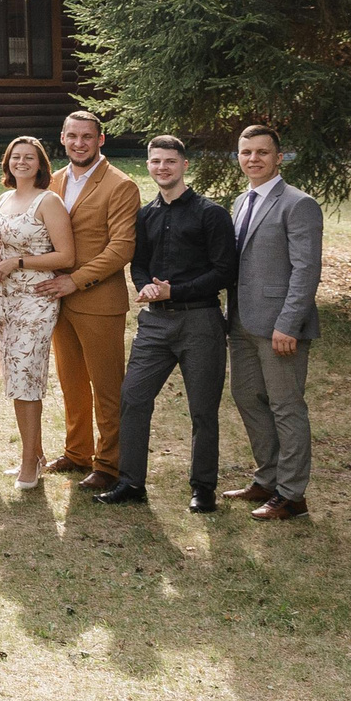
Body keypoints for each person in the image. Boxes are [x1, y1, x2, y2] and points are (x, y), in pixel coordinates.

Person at [97, 136, 238, 512]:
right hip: (155, 323)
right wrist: (145, 286)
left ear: (184, 165)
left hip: (200, 320)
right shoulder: (146, 215)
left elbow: (224, 271)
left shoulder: (211, 214)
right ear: (148, 165)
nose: (163, 167)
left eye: (170, 161)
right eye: (156, 161)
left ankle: (203, 487)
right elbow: (139, 263)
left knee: (203, 409)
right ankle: (131, 482)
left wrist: (175, 291)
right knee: (133, 398)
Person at [225, 123, 323, 520]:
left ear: (279, 157)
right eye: (246, 152)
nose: (253, 159)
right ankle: (267, 479)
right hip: (241, 321)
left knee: (286, 406)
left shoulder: (299, 204)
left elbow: (306, 269)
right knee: (247, 397)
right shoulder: (240, 202)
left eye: (262, 152)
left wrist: (289, 324)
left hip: (280, 327)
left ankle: (292, 495)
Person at [40, 111, 140, 492]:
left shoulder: (120, 185)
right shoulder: (53, 181)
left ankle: (109, 463)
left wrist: (75, 280)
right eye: (72, 136)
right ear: (62, 138)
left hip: (98, 300)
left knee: (107, 387)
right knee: (72, 383)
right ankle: (77, 451)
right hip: (57, 300)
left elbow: (121, 248)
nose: (79, 143)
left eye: (86, 137)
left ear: (101, 140)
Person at [0, 136, 75, 488]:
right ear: (7, 162)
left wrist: (19, 262)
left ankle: (29, 464)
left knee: (27, 377)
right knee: (15, 377)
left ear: (40, 165)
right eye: (16, 157)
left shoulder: (48, 201)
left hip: (36, 298)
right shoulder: (4, 198)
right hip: (4, 299)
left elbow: (66, 256)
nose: (21, 162)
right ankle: (34, 453)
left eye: (29, 157)